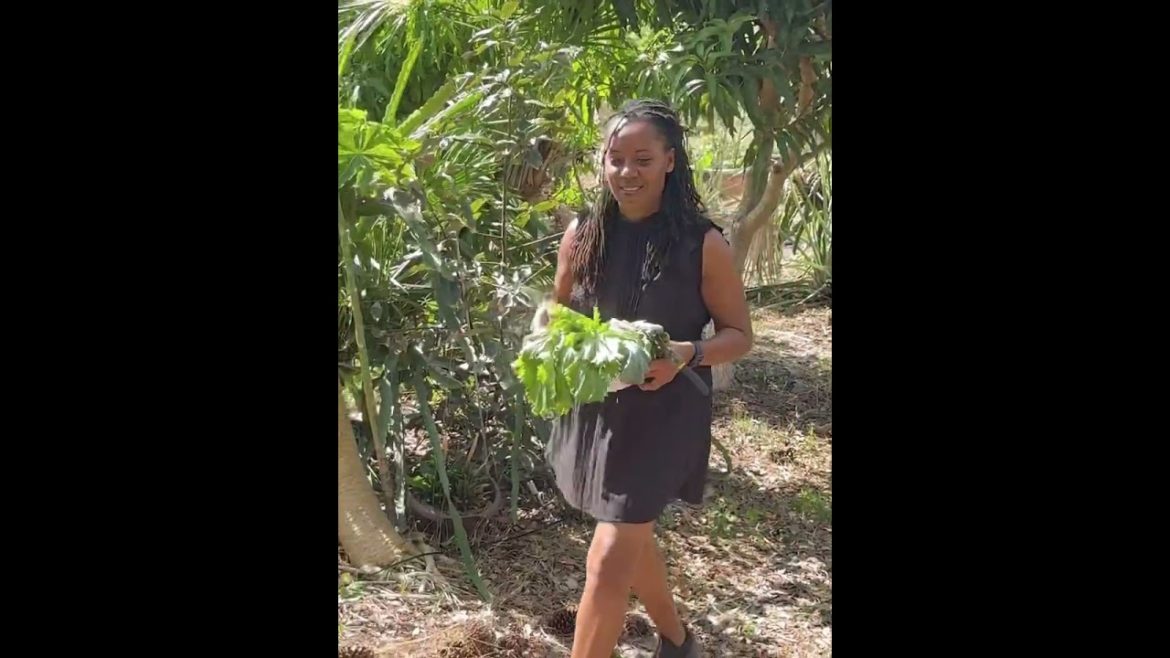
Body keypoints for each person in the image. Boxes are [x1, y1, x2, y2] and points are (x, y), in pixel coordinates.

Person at [547, 99, 754, 658]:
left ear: (670, 161)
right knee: (630, 535)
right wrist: (550, 339)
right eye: (615, 158)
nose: (625, 172)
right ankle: (678, 640)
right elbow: (559, 313)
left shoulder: (702, 244)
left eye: (642, 158)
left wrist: (685, 352)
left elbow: (739, 334)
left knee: (608, 556)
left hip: (664, 415)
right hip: (596, 411)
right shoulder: (583, 234)